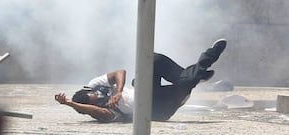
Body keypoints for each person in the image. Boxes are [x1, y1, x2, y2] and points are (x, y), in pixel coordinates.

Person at [54, 39, 227, 122]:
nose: (100, 98)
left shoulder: (93, 85)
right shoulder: (104, 114)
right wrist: (70, 104)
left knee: (152, 60)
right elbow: (98, 112)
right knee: (185, 83)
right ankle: (203, 64)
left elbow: (119, 72)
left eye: (96, 95)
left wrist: (119, 90)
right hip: (159, 109)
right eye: (97, 102)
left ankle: (195, 75)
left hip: (146, 90)